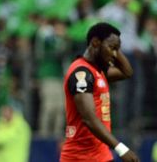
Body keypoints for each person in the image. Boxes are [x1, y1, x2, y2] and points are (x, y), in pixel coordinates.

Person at [60, 22, 139, 162]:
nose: (115, 54)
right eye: (111, 48)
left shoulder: (98, 71)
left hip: (100, 155)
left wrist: (114, 48)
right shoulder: (81, 73)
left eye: (117, 49)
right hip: (80, 157)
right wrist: (121, 148)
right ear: (95, 42)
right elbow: (89, 119)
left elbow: (127, 72)